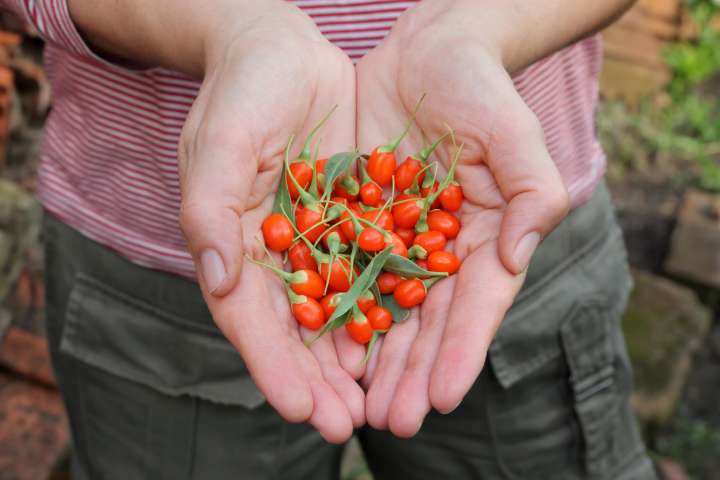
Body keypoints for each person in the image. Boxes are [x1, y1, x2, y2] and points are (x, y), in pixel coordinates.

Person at [0, 0, 657, 478]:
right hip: (156, 275)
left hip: (505, 231)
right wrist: (227, 28)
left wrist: (484, 28)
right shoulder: (345, 233)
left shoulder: (397, 225)